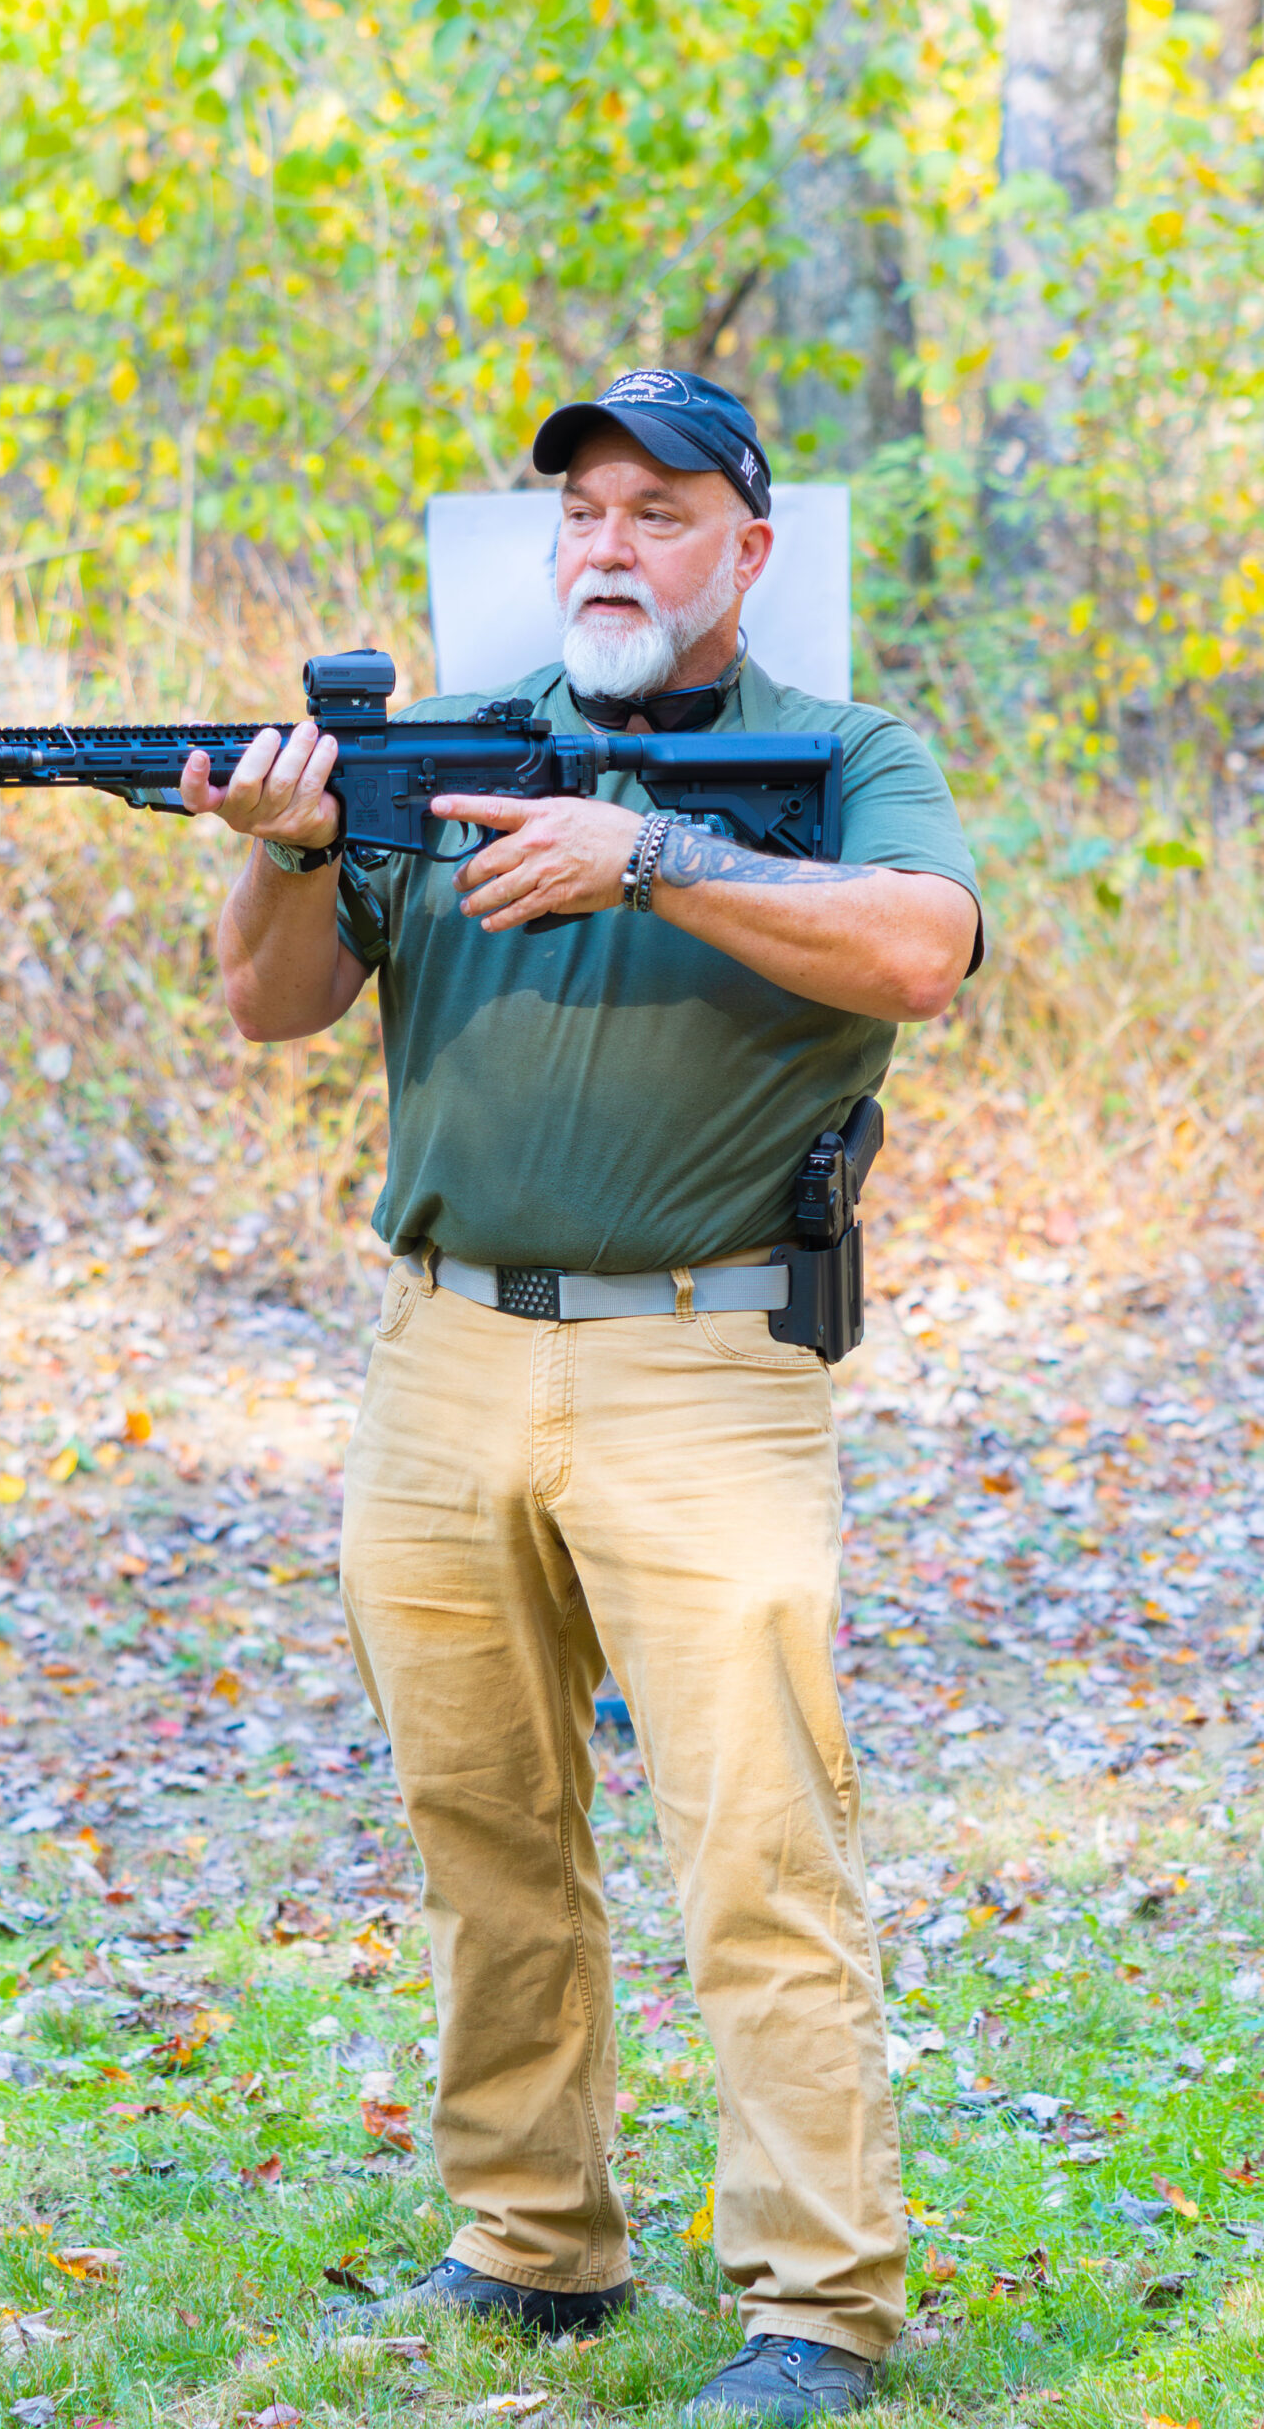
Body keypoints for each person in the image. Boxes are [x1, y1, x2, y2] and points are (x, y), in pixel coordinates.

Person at [179, 371, 983, 2421]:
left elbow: (917, 951)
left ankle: (816, 2302)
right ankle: (532, 2243)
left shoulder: (843, 755)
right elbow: (268, 1004)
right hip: (442, 1352)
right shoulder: (445, 747)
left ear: (746, 549)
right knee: (482, 1824)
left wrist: (645, 855)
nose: (608, 546)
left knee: (754, 1845)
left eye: (657, 511)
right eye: (582, 514)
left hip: (705, 1361)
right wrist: (284, 853)